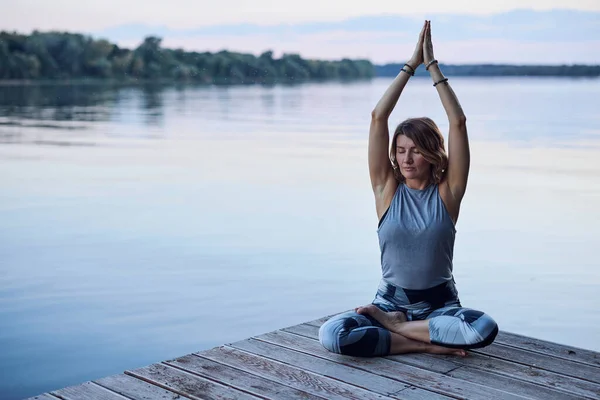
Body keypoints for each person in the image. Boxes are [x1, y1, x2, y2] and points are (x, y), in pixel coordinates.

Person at [318, 20, 498, 357]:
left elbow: (458, 122)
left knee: (482, 328)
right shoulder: (385, 189)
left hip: (439, 305)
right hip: (389, 301)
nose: (406, 159)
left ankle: (398, 329)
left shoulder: (448, 193)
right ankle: (429, 346)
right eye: (400, 150)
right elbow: (377, 118)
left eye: (415, 150)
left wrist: (432, 68)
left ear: (432, 154)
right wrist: (409, 66)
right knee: (332, 334)